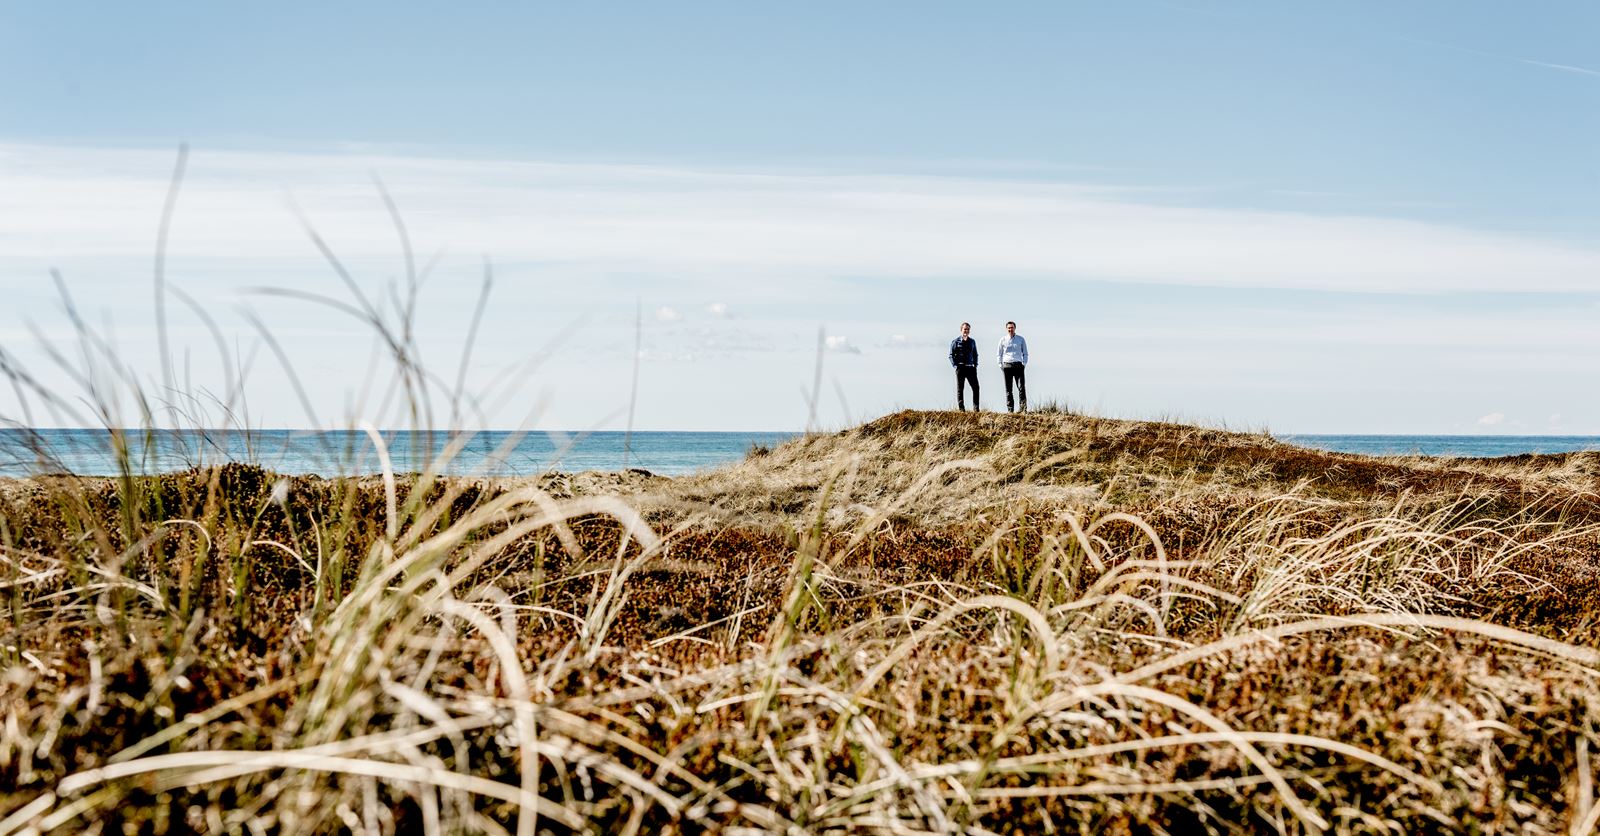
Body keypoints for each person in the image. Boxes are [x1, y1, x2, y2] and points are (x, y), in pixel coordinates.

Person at [997, 320, 1028, 413]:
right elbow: (999, 354)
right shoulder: (1002, 340)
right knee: (1008, 389)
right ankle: (1010, 410)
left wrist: (1024, 363)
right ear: (1006, 329)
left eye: (1012, 327)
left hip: (1018, 365)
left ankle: (1023, 409)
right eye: (1009, 328)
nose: (1010, 329)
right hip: (1007, 366)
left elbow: (1025, 353)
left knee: (1021, 387)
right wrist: (1000, 365)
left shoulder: (1021, 339)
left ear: (1015, 328)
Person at [948, 322, 980, 411]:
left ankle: (976, 409)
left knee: (976, 388)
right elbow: (951, 355)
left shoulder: (972, 341)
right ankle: (961, 409)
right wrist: (955, 366)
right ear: (961, 330)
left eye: (968, 329)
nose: (966, 331)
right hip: (960, 368)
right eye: (965, 329)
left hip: (970, 368)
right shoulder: (955, 342)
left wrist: (975, 365)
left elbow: (975, 354)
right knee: (960, 389)